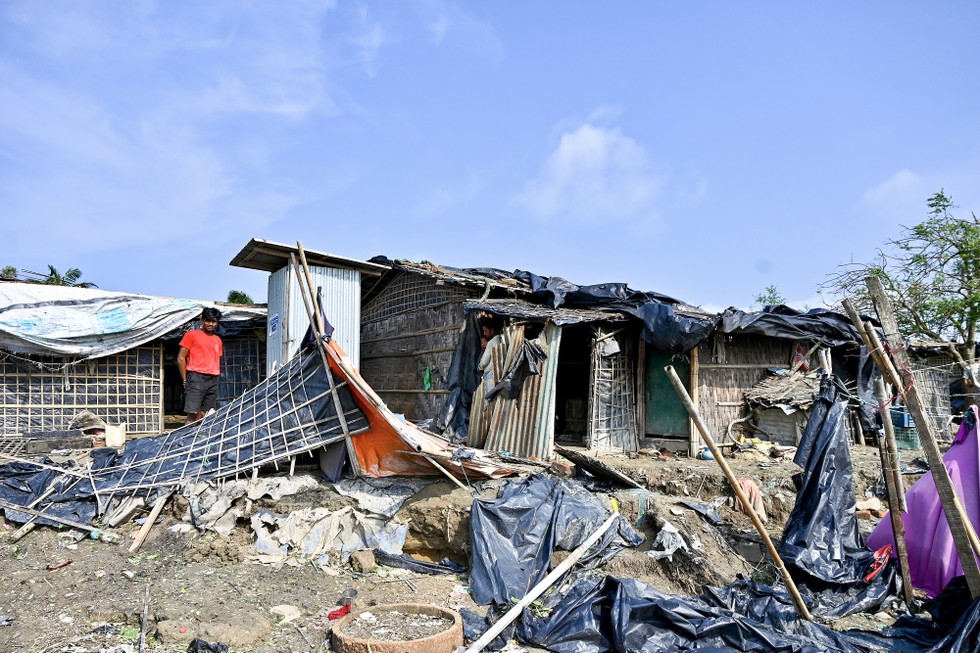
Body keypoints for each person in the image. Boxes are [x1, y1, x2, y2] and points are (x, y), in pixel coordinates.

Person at [177, 307, 223, 424]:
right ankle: (187, 441)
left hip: (213, 379)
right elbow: (181, 358)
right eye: (207, 320)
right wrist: (184, 379)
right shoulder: (192, 335)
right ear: (202, 320)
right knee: (192, 414)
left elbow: (215, 359)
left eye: (213, 321)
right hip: (196, 378)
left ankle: (201, 440)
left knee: (206, 414)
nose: (210, 324)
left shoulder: (217, 340)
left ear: (217, 323)